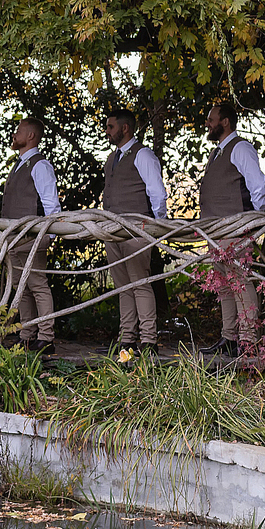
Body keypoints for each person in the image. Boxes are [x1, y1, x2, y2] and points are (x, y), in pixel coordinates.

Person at [198, 103, 265, 357]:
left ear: (225, 122)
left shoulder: (240, 148)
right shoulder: (217, 152)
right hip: (215, 230)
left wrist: (255, 219)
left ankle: (248, 341)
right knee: (224, 285)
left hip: (233, 228)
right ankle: (229, 338)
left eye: (211, 118)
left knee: (240, 281)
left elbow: (257, 185)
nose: (207, 123)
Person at [102, 109, 168, 355]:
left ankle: (149, 341)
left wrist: (156, 227)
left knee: (140, 284)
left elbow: (157, 193)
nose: (107, 131)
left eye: (110, 126)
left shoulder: (143, 155)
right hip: (112, 231)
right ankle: (127, 340)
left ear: (125, 128)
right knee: (122, 287)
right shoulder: (112, 158)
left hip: (137, 230)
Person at [0, 117, 62, 355]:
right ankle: (27, 335)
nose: (14, 135)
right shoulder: (19, 165)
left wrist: (49, 236)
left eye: (19, 131)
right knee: (20, 287)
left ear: (31, 137)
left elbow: (51, 205)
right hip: (15, 238)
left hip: (32, 237)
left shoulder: (39, 165)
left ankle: (46, 337)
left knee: (37, 285)